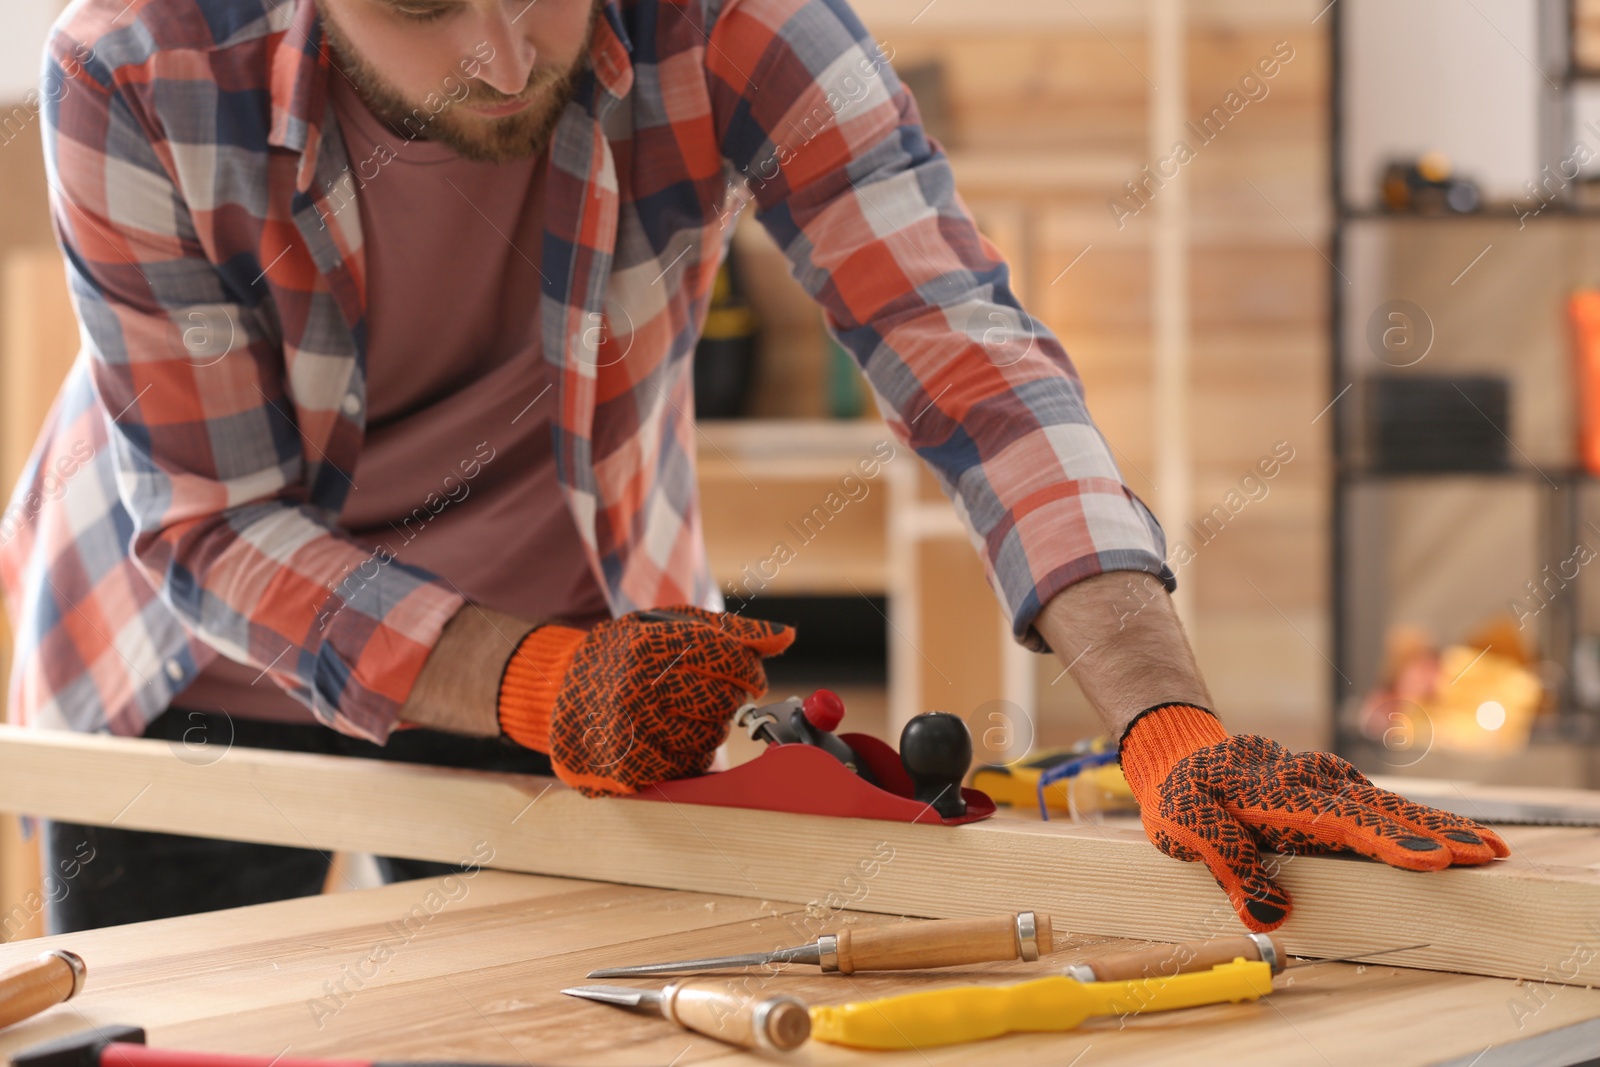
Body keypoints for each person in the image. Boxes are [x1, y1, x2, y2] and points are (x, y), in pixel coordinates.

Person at [0, 0, 1504, 935]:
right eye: (424, 5)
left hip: (576, 642)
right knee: (159, 1042)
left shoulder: (736, 22)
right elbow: (215, 523)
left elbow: (964, 355)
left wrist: (1165, 726)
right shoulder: (132, 64)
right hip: (190, 664)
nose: (505, 52)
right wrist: (538, 687)